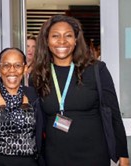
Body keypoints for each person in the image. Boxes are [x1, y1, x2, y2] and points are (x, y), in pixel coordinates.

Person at [30, 15, 130, 166]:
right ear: (46, 41)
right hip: (54, 156)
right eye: (55, 36)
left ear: (76, 40)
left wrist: (123, 154)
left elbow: (113, 113)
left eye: (68, 35)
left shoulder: (96, 70)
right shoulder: (38, 75)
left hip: (94, 156)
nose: (62, 41)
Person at [0, 47, 44, 166]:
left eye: (17, 65)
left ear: (25, 68)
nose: (12, 70)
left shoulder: (35, 96)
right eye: (6, 65)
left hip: (29, 162)